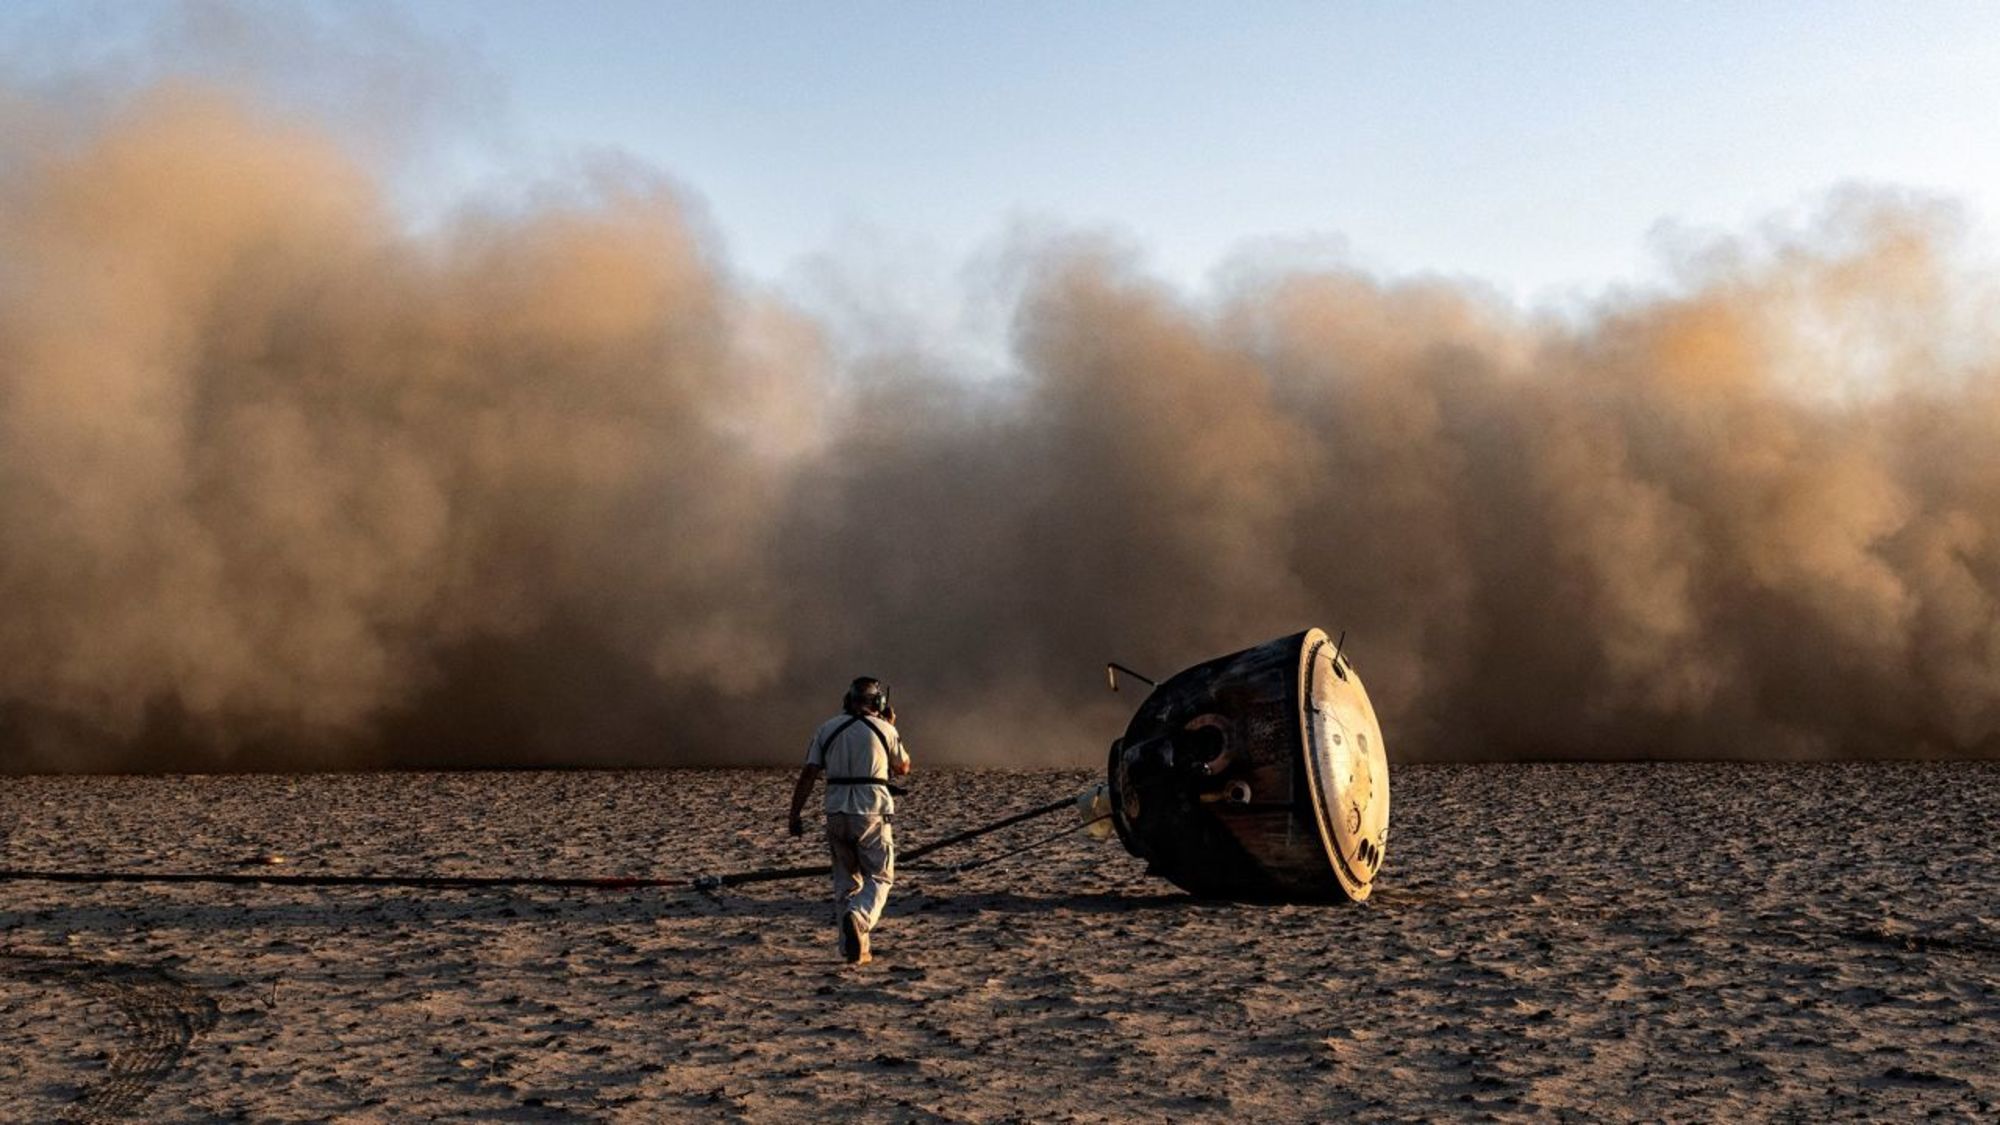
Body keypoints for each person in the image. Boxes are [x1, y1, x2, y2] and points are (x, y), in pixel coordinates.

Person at [787, 676, 912, 964]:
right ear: (878, 703)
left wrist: (794, 814)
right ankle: (860, 917)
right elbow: (903, 767)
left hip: (835, 813)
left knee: (846, 884)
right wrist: (891, 727)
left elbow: (809, 773)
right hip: (872, 812)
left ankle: (854, 950)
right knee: (880, 876)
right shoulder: (884, 729)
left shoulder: (826, 729)